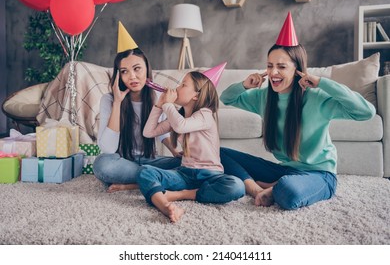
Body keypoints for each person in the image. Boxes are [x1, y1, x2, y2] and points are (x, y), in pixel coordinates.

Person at [219, 12, 376, 210]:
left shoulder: (317, 98)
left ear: (297, 70)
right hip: (285, 171)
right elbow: (227, 98)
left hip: (319, 175)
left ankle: (274, 187)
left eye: (281, 67)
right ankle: (255, 188)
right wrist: (245, 84)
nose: (273, 73)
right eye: (269, 66)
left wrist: (321, 82)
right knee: (218, 153)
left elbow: (366, 112)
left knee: (288, 192)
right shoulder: (263, 97)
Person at [137, 63, 245, 223]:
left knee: (237, 186)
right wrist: (159, 105)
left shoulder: (205, 115)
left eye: (183, 85)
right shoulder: (177, 116)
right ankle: (166, 206)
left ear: (196, 95)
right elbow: (148, 132)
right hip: (185, 174)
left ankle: (182, 195)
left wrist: (167, 105)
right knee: (145, 171)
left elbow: (181, 126)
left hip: (210, 175)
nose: (177, 88)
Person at [93, 22, 181, 193]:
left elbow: (162, 132)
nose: (132, 76)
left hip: (150, 160)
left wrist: (176, 152)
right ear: (118, 75)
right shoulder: (108, 100)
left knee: (189, 164)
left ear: (147, 69)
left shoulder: (156, 97)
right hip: (121, 161)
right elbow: (108, 149)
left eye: (137, 69)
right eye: (124, 71)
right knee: (102, 165)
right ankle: (156, 178)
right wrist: (117, 102)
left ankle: (134, 183)